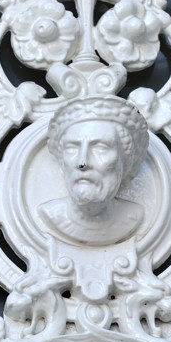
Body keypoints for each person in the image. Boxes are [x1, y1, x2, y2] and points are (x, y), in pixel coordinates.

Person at [38, 95, 149, 246]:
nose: (82, 162)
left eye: (100, 148)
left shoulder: (133, 215)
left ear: (125, 161)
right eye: (72, 148)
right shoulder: (50, 213)